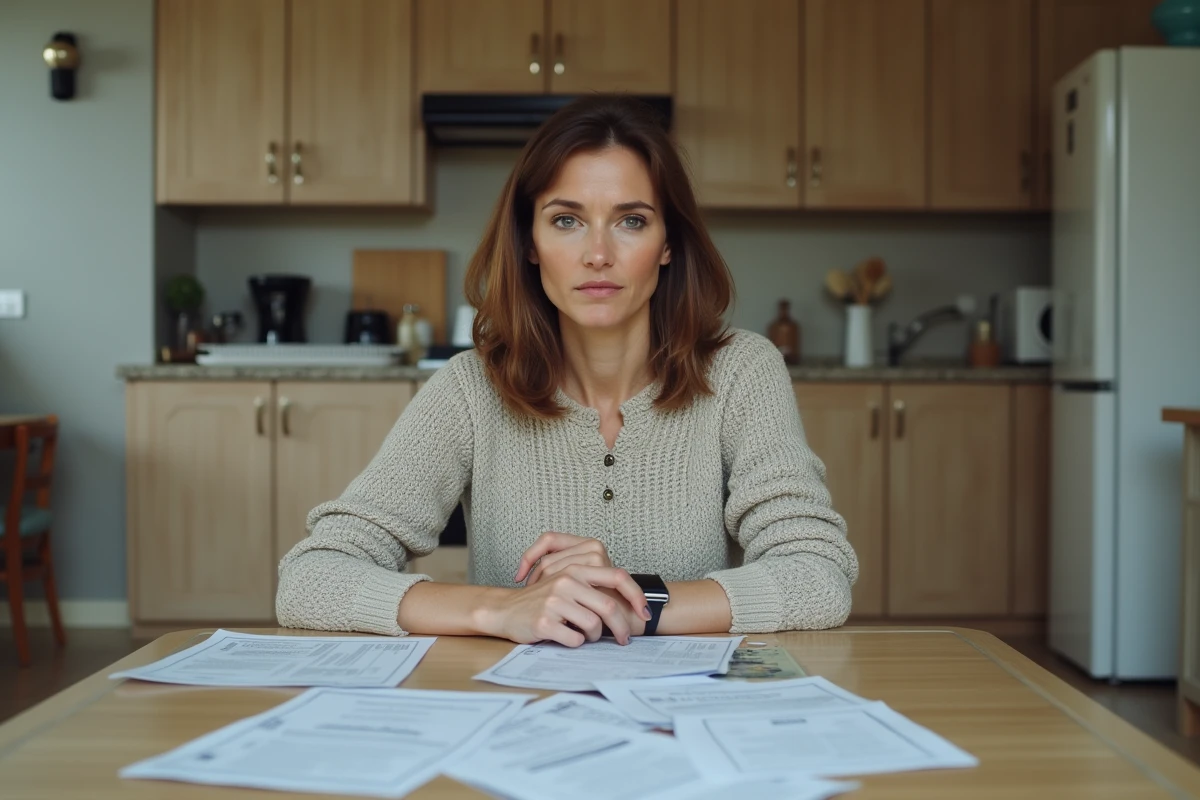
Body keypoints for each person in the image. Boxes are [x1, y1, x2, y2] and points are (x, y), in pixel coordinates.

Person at [276, 95, 858, 647]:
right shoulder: (470, 388)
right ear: (529, 242)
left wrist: (631, 602)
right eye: (565, 220)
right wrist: (500, 609)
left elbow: (816, 576)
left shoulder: (741, 372)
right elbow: (311, 580)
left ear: (668, 244)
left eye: (631, 221)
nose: (597, 254)